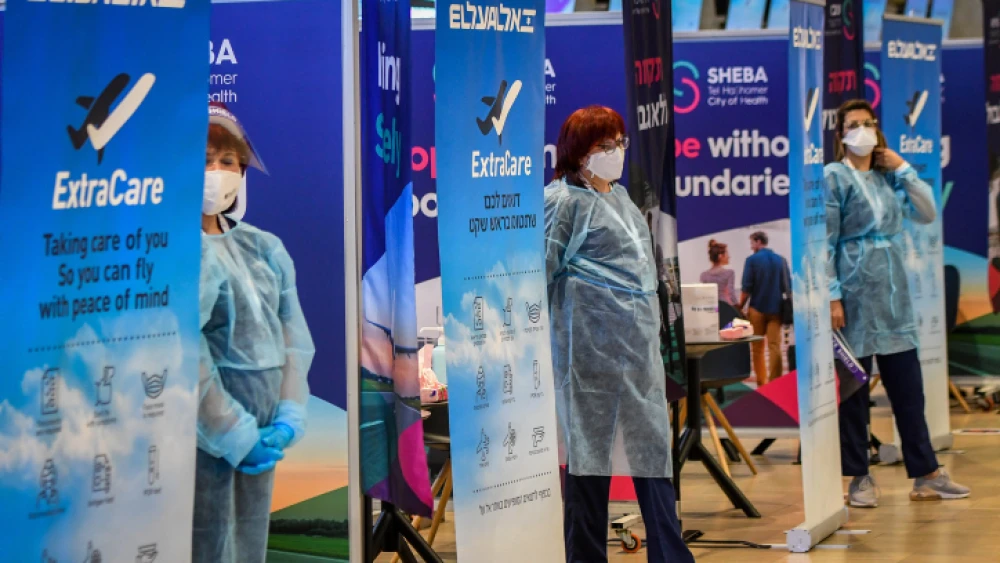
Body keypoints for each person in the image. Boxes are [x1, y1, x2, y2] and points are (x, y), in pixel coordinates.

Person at [544, 106, 694, 563]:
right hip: (588, 356)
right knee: (588, 466)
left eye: (620, 143)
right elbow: (540, 274)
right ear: (578, 152)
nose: (616, 152)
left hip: (639, 353)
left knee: (654, 460)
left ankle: (670, 556)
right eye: (604, 145)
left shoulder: (622, 197)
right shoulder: (562, 201)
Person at [826, 99, 970, 508]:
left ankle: (926, 474)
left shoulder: (888, 177)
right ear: (841, 134)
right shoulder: (834, 176)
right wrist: (833, 295)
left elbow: (927, 212)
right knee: (854, 393)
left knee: (909, 391)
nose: (862, 130)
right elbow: (826, 240)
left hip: (893, 299)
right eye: (853, 124)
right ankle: (858, 477)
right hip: (853, 297)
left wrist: (904, 167)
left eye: (868, 122)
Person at [194, 102, 316, 562]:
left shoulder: (263, 247)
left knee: (248, 543)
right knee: (204, 542)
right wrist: (232, 433)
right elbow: (184, 354)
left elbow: (293, 339)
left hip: (264, 430)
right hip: (201, 438)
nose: (217, 171)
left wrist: (288, 415)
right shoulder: (176, 252)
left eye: (228, 161)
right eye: (205, 159)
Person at [738, 231, 790, 386]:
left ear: (758, 241)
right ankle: (776, 382)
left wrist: (740, 306)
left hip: (757, 309)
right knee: (775, 346)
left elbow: (746, 287)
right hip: (776, 309)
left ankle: (762, 383)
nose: (751, 246)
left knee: (757, 348)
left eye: (752, 243)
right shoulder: (781, 260)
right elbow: (787, 287)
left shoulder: (751, 260)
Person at [700, 239, 737, 307]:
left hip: (712, 309)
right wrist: (739, 308)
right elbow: (731, 295)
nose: (729, 256)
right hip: (726, 308)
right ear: (720, 256)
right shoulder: (729, 273)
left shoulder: (704, 275)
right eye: (727, 254)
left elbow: (704, 297)